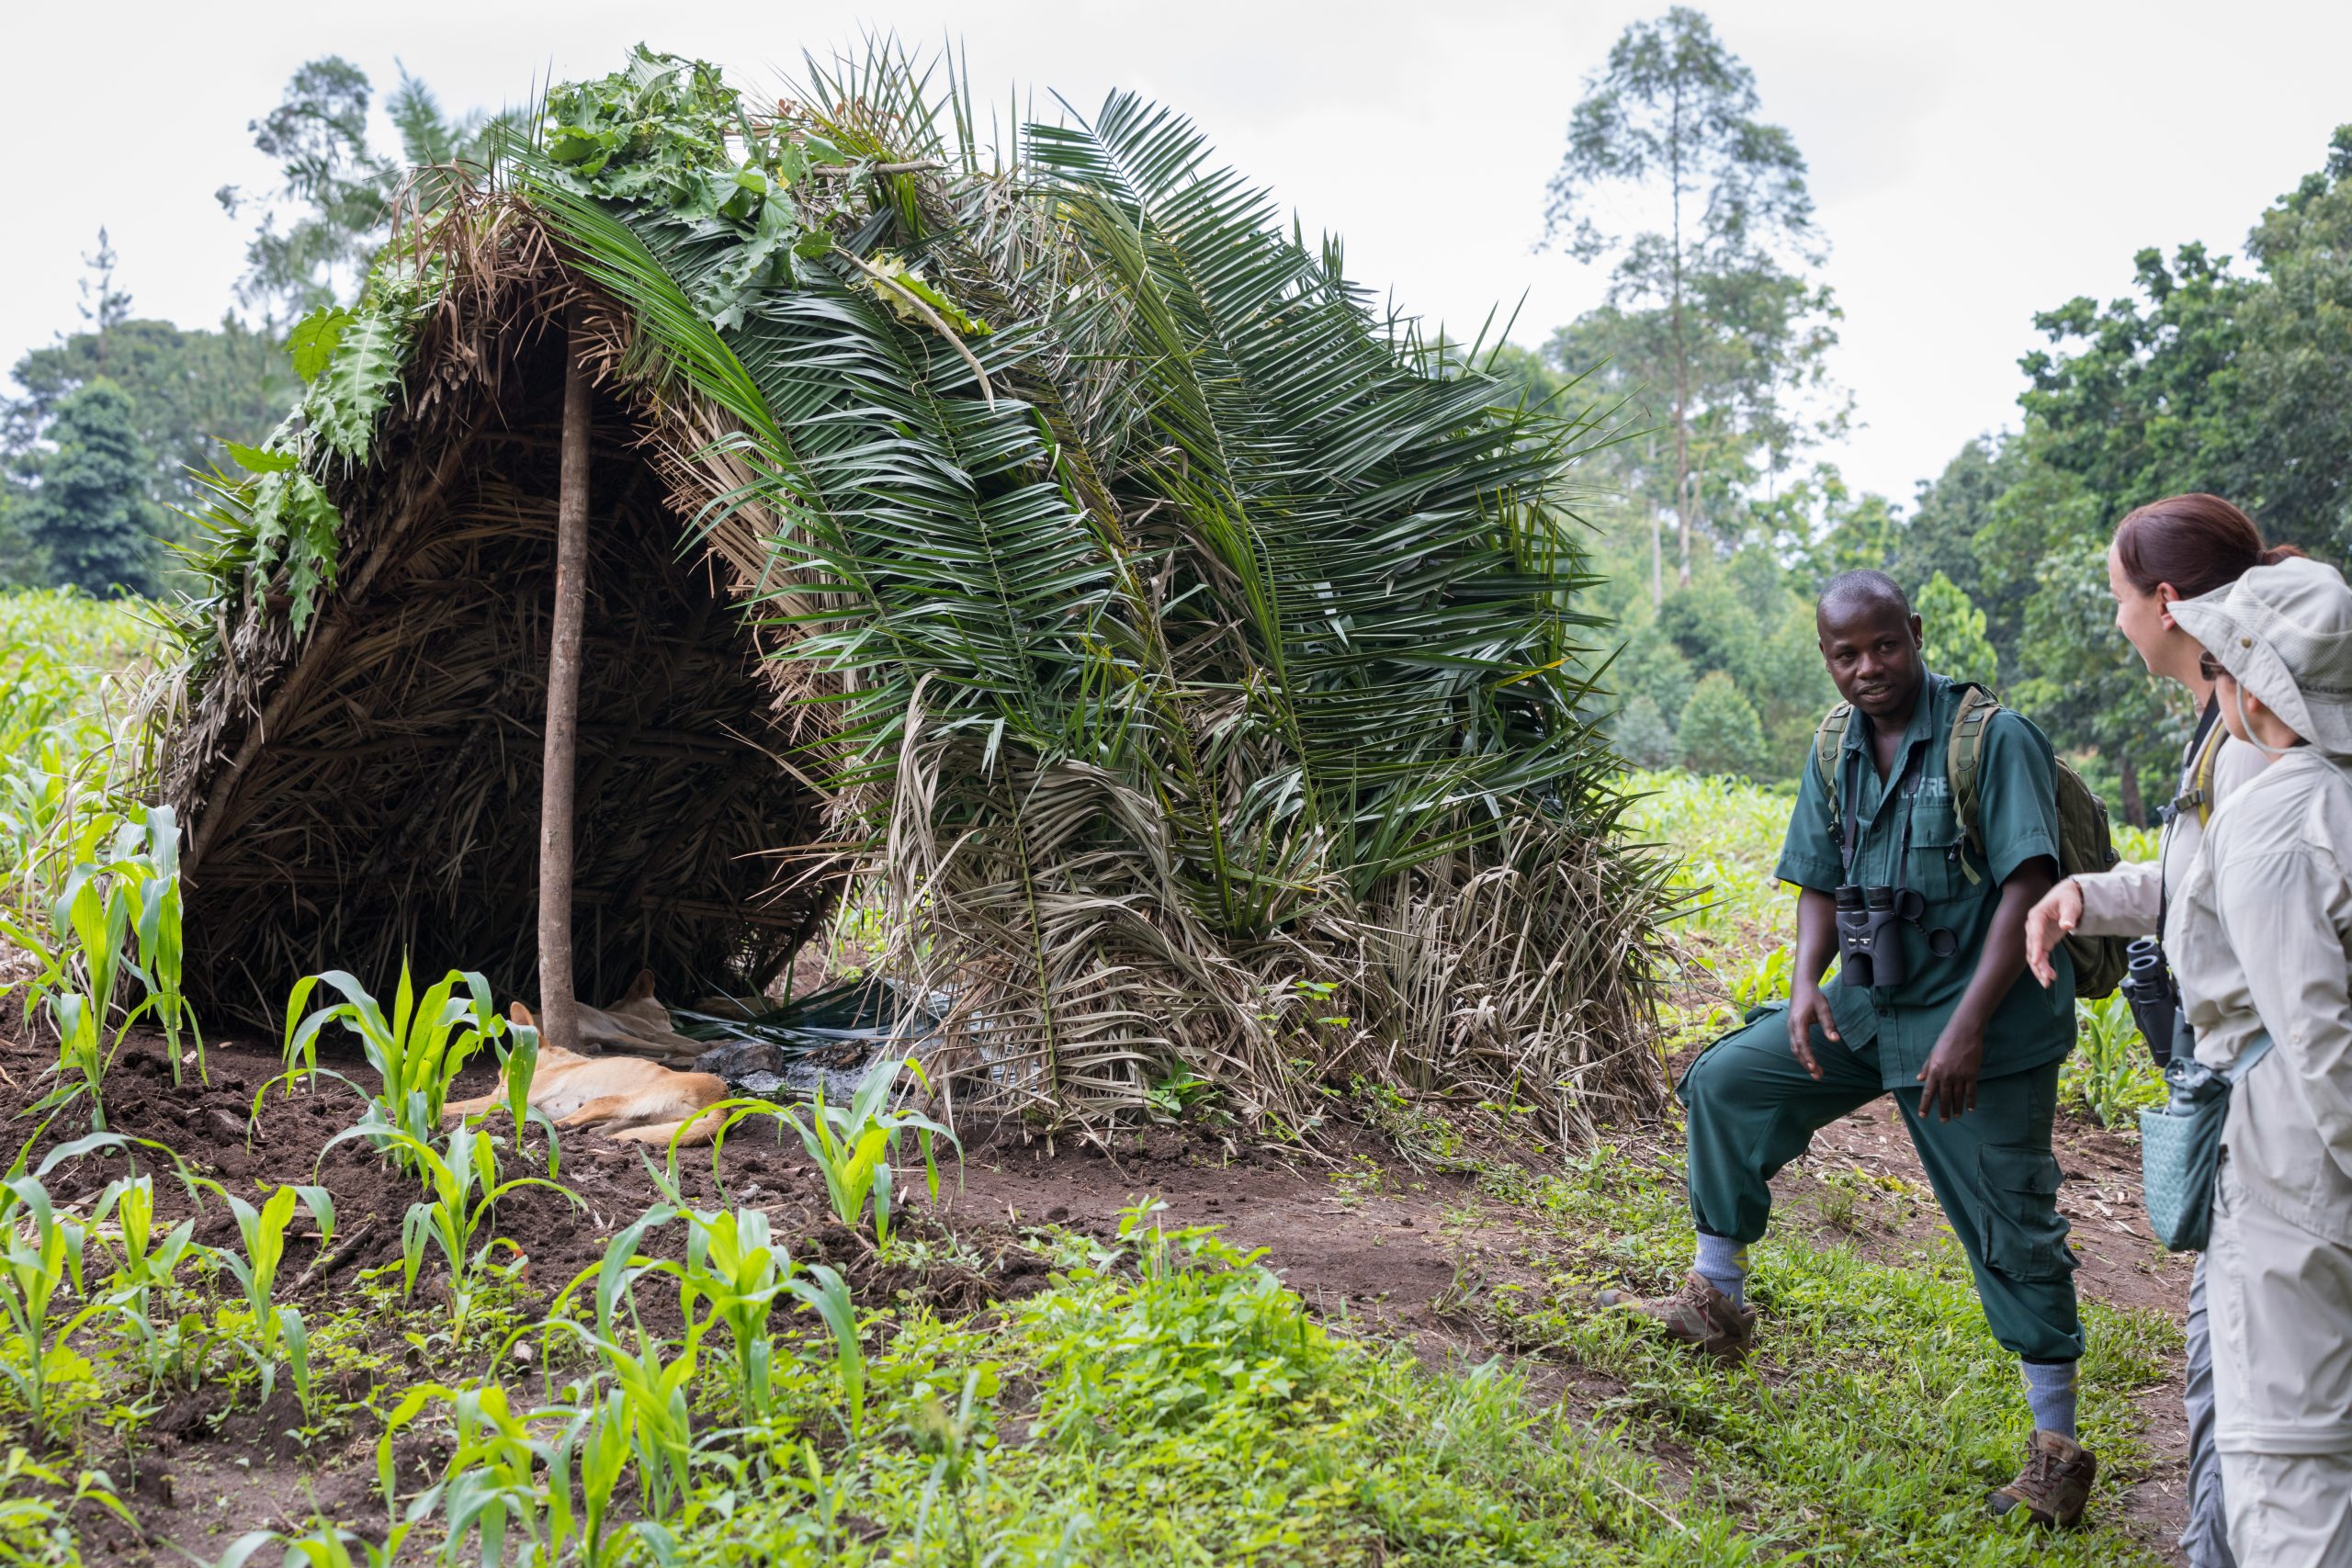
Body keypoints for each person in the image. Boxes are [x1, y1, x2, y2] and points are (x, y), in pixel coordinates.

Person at [1604, 570, 2092, 1525]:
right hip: (1872, 1007)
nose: (1868, 668)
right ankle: (1718, 1300)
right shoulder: (1833, 747)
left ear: (1914, 632)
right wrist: (1799, 989)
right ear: (1825, 658)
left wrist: (1963, 1031)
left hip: (1983, 1024)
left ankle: (2056, 1456)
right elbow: (1819, 881)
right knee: (1726, 1080)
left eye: (1884, 646)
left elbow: (2026, 891)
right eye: (1845, 655)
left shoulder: (1990, 741)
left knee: (2010, 1223)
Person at [2023, 494, 2297, 1568]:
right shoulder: (2224, 724)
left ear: (2169, 604)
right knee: (2220, 1366)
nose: (2116, 620)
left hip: (2276, 1110)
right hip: (2245, 1096)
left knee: (2248, 1385)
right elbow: (2203, 886)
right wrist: (2091, 896)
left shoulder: (2258, 744)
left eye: (2118, 599)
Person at [2162, 556, 2352, 1567]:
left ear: (2251, 680)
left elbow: (2319, 1042)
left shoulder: (2278, 822)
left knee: (2289, 1465)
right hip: (2302, 1153)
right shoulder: (2333, 797)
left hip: (2291, 1166)